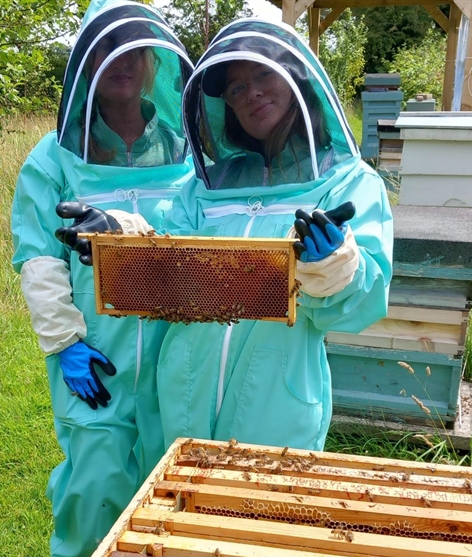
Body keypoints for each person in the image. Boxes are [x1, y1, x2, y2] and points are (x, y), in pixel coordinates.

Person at [10, 0, 193, 557]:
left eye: (137, 50)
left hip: (173, 338)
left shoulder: (188, 150)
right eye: (110, 51)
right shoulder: (53, 157)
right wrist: (64, 342)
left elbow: (198, 236)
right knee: (95, 470)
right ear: (86, 65)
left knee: (168, 465)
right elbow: (39, 257)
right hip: (97, 343)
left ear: (155, 65)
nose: (125, 61)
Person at [155, 19, 394, 451]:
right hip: (186, 386)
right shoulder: (208, 183)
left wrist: (336, 265)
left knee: (262, 512)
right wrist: (122, 232)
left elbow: (360, 303)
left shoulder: (346, 181)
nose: (252, 94)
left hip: (275, 396)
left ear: (296, 77)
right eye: (236, 89)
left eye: (263, 74)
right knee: (185, 509)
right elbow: (163, 260)